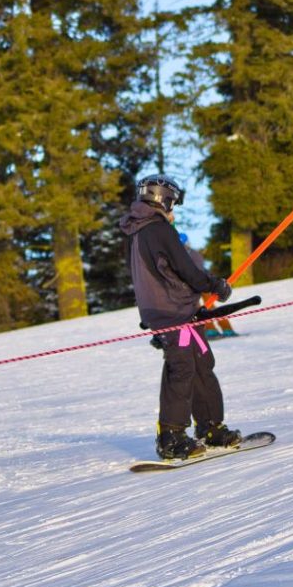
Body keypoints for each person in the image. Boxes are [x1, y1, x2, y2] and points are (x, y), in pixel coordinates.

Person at [119, 174, 242, 459]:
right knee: (183, 369)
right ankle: (171, 437)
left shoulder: (138, 231)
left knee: (200, 365)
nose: (173, 210)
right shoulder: (158, 230)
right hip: (172, 313)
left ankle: (211, 427)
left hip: (172, 312)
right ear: (163, 199)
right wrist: (216, 285)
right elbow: (186, 269)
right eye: (172, 203)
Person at [177, 232, 238, 339]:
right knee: (199, 309)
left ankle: (226, 328)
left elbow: (198, 270)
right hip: (192, 286)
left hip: (203, 284)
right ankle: (210, 329)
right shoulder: (181, 256)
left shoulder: (192, 254)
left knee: (208, 306)